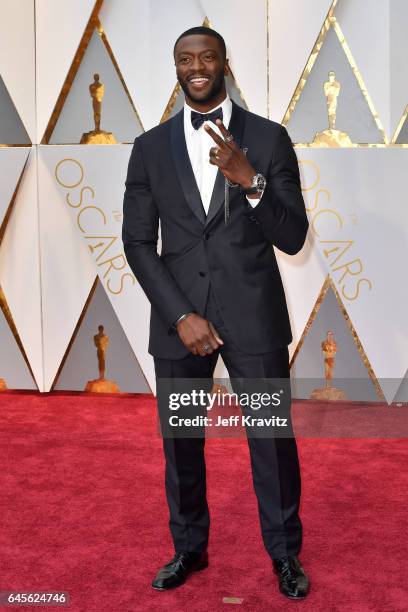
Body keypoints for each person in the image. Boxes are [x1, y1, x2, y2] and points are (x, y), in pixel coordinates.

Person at [122, 26, 310, 600]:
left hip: (252, 316)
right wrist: (180, 314)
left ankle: (284, 555)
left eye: (206, 56)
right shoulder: (149, 147)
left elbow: (294, 236)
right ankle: (188, 549)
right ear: (175, 68)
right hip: (181, 321)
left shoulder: (269, 138)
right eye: (185, 59)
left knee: (271, 442)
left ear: (224, 62)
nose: (196, 66)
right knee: (180, 442)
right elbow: (136, 242)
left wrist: (249, 179)